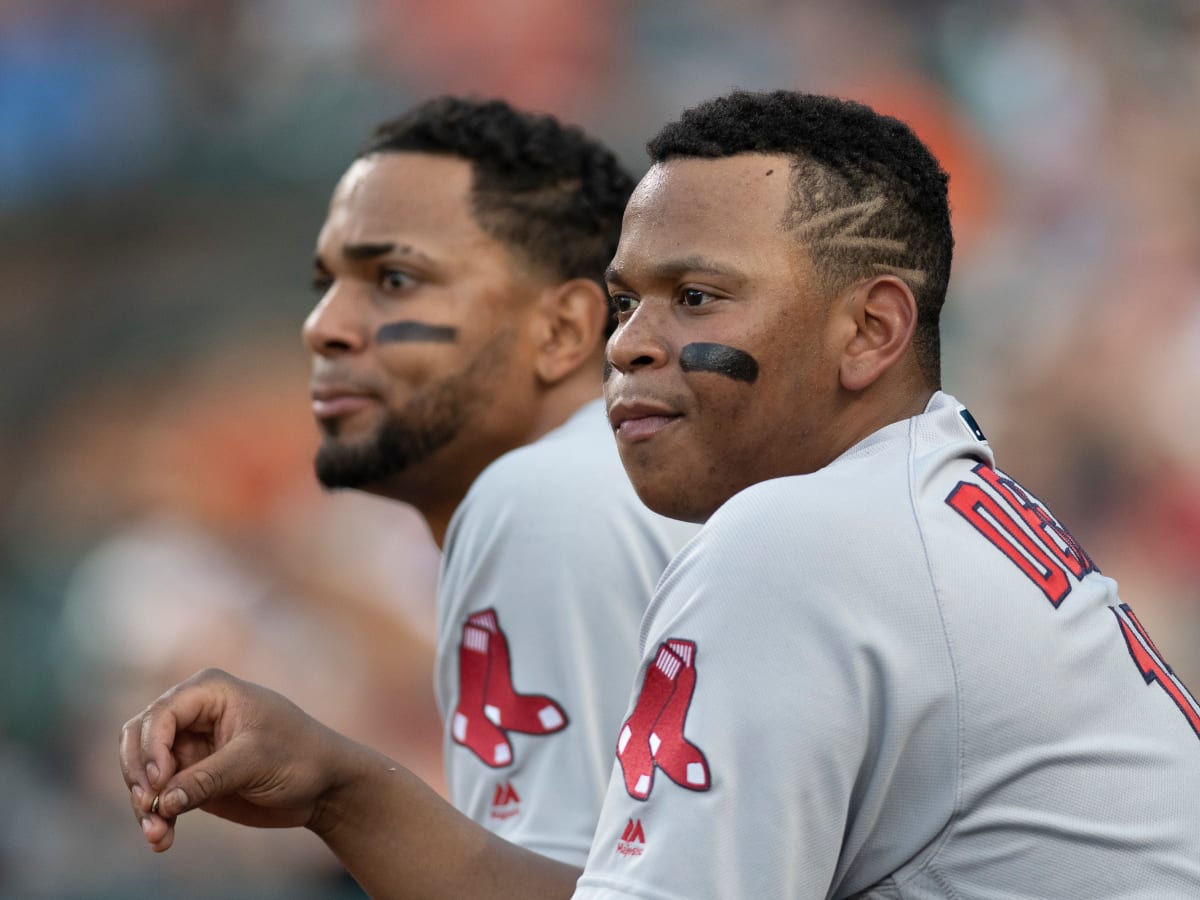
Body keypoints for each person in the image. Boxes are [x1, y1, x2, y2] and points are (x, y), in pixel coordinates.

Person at [121, 90, 1200, 898]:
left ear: (870, 329)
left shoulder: (795, 543)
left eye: (696, 297)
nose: (629, 345)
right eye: (626, 300)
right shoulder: (921, 499)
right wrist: (342, 787)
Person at [305, 95, 697, 864]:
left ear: (561, 332)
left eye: (393, 280)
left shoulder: (546, 497)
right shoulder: (614, 479)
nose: (324, 324)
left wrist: (334, 791)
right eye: (325, 281)